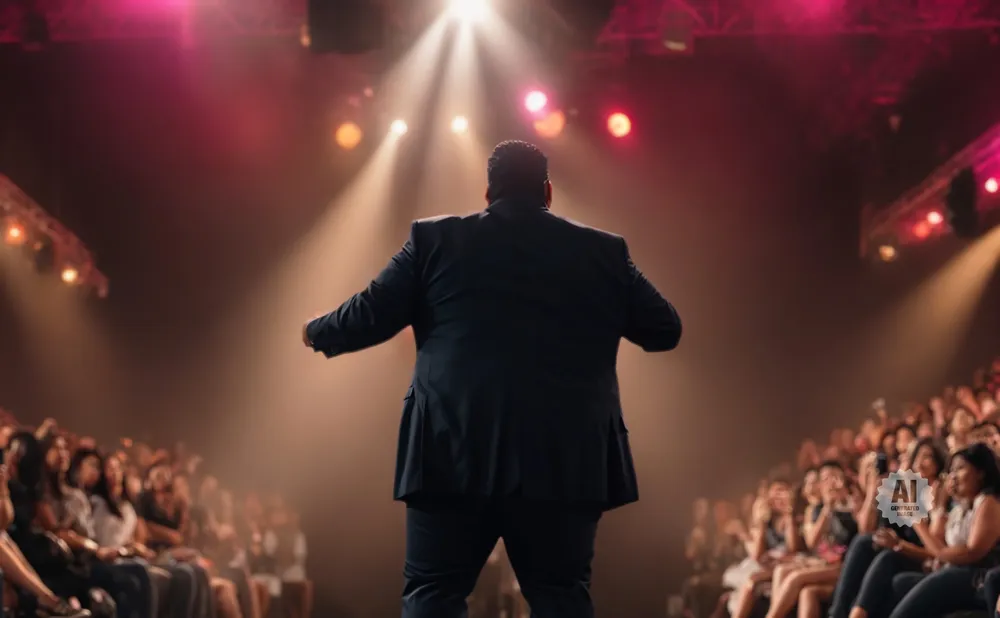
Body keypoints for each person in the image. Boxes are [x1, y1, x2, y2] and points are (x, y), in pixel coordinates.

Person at [303, 139, 682, 618]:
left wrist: (313, 331)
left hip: (450, 450)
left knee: (433, 595)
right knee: (561, 596)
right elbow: (665, 329)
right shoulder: (604, 252)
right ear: (548, 191)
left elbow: (368, 315)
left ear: (487, 192)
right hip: (563, 460)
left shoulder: (433, 241)